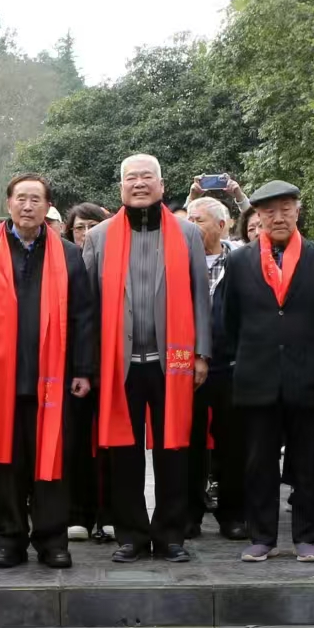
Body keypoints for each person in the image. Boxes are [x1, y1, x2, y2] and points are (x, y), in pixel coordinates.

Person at [0, 174, 97, 568]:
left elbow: (84, 316)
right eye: (21, 199)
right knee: (3, 465)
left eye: (36, 199)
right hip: (1, 381)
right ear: (8, 204)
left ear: (47, 206)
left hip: (55, 378)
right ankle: (10, 539)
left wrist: (83, 369)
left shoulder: (67, 254)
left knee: (51, 464)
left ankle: (52, 542)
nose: (28, 206)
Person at [83, 154, 212, 563]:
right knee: (124, 452)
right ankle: (132, 535)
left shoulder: (187, 234)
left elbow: (199, 298)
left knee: (174, 449)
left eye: (147, 177)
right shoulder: (100, 236)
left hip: (170, 362)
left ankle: (171, 534)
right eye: (130, 178)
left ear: (162, 184)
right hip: (118, 365)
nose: (139, 184)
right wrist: (87, 364)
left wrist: (201, 354)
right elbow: (86, 307)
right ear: (121, 187)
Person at [214, 180, 314, 563]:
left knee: (310, 463)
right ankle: (262, 536)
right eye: (270, 211)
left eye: (286, 208)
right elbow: (229, 319)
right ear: (258, 217)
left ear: (298, 211)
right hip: (257, 376)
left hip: (310, 374)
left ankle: (308, 536)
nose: (278, 217)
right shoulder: (239, 261)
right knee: (258, 463)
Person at [183, 195, 246, 540]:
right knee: (187, 442)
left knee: (232, 443)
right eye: (188, 219)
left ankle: (233, 514)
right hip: (185, 365)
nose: (191, 226)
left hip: (230, 364)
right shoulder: (176, 258)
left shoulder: (242, 259)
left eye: (199, 220)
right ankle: (189, 514)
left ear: (222, 226)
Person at [61, 200, 113, 542]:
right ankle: (78, 513)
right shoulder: (61, 261)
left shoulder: (113, 258)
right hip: (72, 364)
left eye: (93, 226)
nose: (86, 233)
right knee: (75, 440)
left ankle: (109, 513)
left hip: (111, 360)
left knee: (112, 442)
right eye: (80, 227)